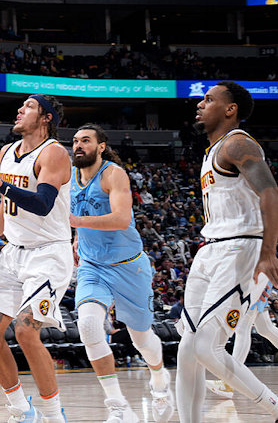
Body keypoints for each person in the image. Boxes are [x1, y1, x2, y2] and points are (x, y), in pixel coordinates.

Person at [176, 81, 278, 422]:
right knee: (188, 347)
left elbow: (271, 192)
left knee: (207, 346)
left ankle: (273, 407)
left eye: (209, 99)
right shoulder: (212, 150)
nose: (200, 104)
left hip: (240, 246)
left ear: (230, 109)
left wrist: (268, 252)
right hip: (211, 249)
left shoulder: (237, 143)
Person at [0, 94, 71, 423]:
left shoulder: (54, 153)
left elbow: (42, 204)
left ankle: (53, 415)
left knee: (26, 331)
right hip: (13, 253)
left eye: (29, 107)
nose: (19, 110)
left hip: (48, 253)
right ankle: (22, 411)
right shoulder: (7, 152)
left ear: (46, 118)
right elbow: (8, 207)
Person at [70, 124, 174, 422]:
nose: (78, 146)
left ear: (101, 146)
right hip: (92, 266)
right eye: (75, 141)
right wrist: (77, 237)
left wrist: (76, 222)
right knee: (89, 326)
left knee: (142, 340)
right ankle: (119, 407)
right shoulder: (71, 175)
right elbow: (80, 212)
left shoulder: (113, 174)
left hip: (129, 266)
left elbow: (121, 219)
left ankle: (159, 379)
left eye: (85, 140)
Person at [207, 283, 278, 399]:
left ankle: (229, 383)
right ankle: (229, 382)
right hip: (257, 282)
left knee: (242, 329)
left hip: (254, 284)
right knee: (265, 328)